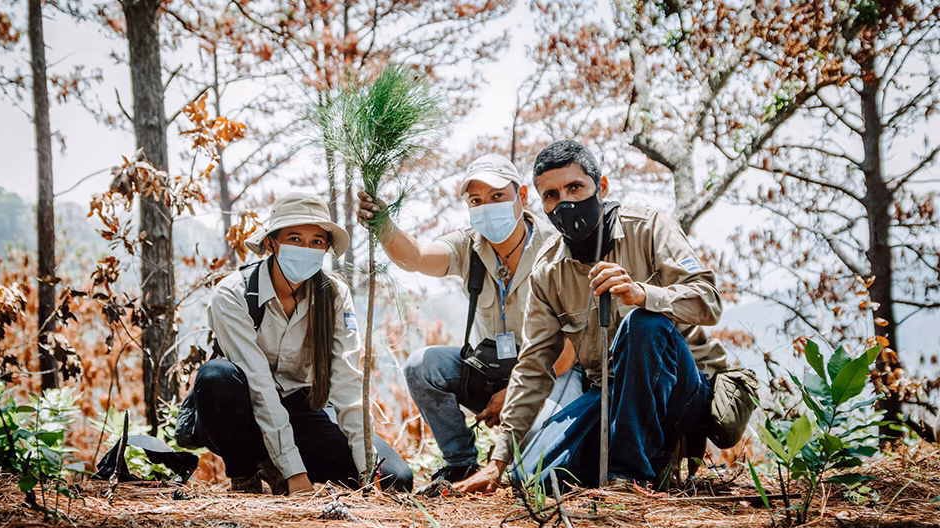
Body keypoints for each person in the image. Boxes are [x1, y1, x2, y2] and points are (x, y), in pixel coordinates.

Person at [455, 140, 729, 493]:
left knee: (643, 323)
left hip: (681, 390)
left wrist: (644, 294)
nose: (564, 202)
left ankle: (628, 478)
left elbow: (709, 301)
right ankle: (621, 458)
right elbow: (534, 365)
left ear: (601, 187)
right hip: (609, 393)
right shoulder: (548, 271)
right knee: (532, 478)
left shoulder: (648, 228)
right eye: (551, 195)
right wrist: (498, 462)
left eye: (574, 187)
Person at [358, 153, 584, 483]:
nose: (486, 206)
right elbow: (417, 257)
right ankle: (460, 462)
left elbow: (569, 347)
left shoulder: (554, 251)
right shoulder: (468, 246)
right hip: (489, 369)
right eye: (476, 200)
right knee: (423, 366)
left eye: (497, 197)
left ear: (521, 196)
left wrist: (516, 394)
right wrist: (383, 224)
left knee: (536, 473)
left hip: (551, 374)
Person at [194, 193, 413, 494]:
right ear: (271, 243)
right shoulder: (233, 295)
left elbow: (347, 381)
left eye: (316, 242)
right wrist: (295, 474)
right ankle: (246, 474)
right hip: (242, 416)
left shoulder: (333, 295)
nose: (305, 249)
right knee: (216, 377)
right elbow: (258, 383)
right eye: (294, 238)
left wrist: (367, 470)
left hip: (302, 411)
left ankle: (280, 465)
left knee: (395, 479)